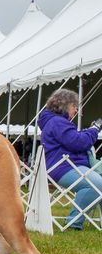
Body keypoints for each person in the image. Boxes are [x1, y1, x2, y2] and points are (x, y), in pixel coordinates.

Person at [38, 89, 102, 230]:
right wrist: (94, 130)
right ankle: (74, 222)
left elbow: (73, 139)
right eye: (74, 106)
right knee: (96, 184)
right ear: (65, 105)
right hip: (63, 167)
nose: (76, 110)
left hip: (66, 166)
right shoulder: (58, 123)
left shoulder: (55, 123)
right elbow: (78, 142)